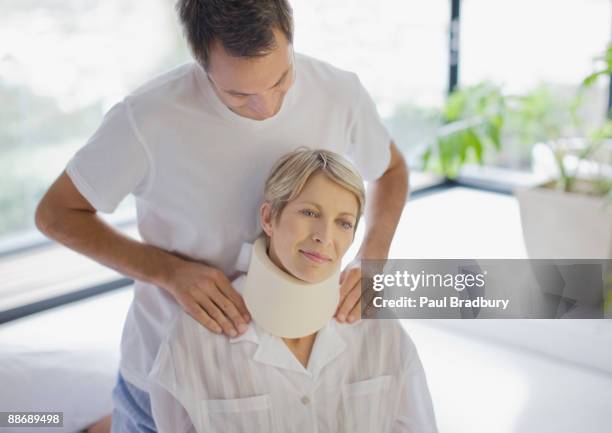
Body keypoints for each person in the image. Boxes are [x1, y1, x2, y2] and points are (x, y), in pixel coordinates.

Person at [34, 0, 409, 431]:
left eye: (281, 80)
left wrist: (372, 258)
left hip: (288, 373)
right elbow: (56, 213)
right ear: (200, 63)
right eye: (239, 94)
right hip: (169, 372)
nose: (266, 107)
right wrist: (168, 271)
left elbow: (391, 170)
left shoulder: (339, 93)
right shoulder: (147, 118)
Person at [148, 149, 437, 433]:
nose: (324, 236)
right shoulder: (194, 341)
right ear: (268, 218)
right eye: (310, 212)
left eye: (343, 223)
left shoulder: (380, 329)